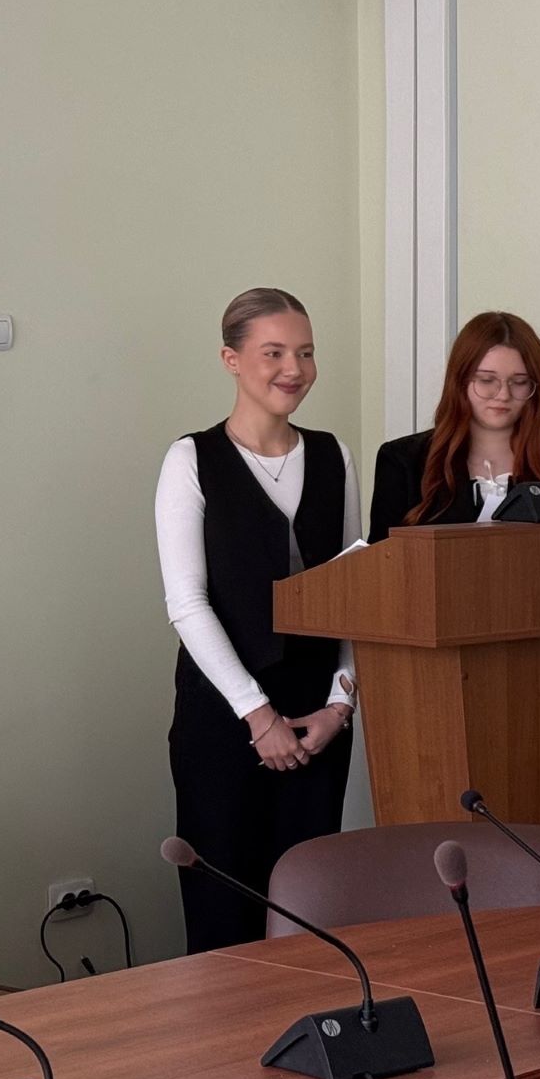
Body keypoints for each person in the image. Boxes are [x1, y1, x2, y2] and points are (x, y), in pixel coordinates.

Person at [155, 288, 359, 952]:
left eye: (305, 352)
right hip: (224, 719)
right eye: (273, 353)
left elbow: (355, 591)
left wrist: (341, 704)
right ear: (231, 360)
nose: (293, 369)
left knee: (310, 916)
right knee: (224, 914)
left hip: (318, 722)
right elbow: (187, 602)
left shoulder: (333, 455)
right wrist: (258, 715)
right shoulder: (191, 460)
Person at [369, 310, 540, 542]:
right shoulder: (403, 460)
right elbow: (380, 557)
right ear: (460, 381)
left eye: (519, 382)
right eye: (487, 380)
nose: (503, 395)